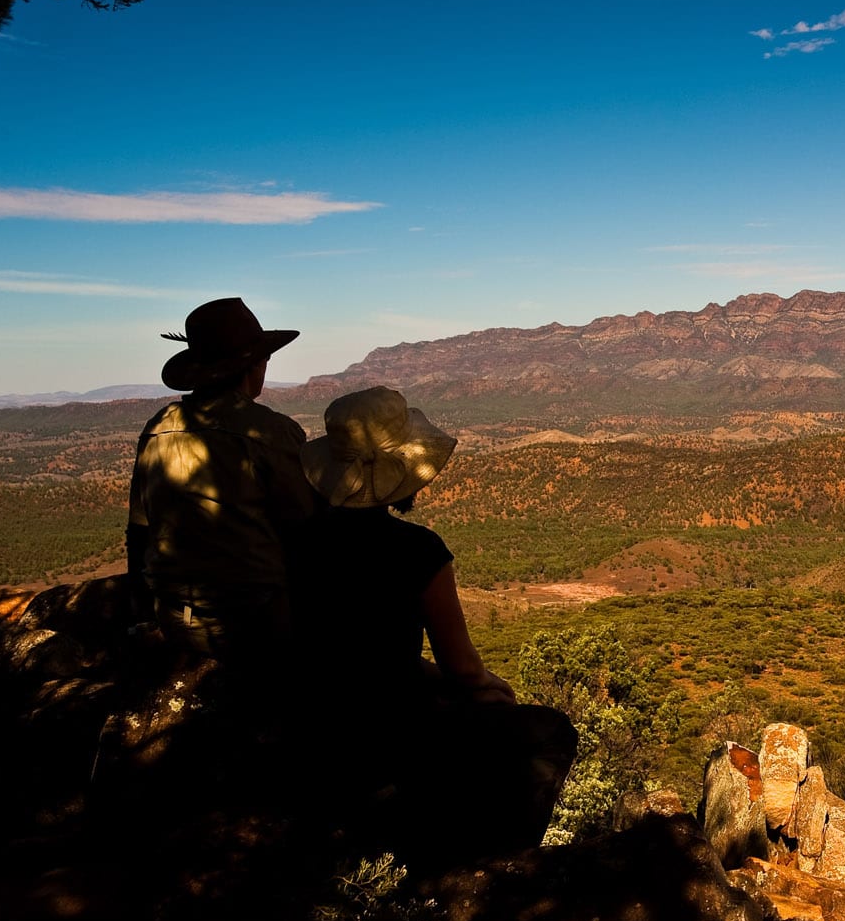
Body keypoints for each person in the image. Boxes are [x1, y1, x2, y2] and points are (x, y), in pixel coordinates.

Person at [295, 386, 576, 860]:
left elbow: (346, 645)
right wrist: (493, 685)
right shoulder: (417, 550)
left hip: (313, 715)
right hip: (388, 727)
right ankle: (498, 865)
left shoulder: (297, 542)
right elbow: (463, 669)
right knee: (551, 734)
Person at [126, 298, 316, 661]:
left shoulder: (158, 427)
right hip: (253, 621)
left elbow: (138, 530)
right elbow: (305, 530)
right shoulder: (270, 433)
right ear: (251, 366)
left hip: (174, 618)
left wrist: (142, 614)